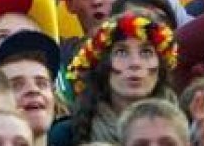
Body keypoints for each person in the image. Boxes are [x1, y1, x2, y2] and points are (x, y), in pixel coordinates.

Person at [51, 12, 179, 145]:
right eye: (121, 52)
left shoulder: (187, 126)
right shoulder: (66, 135)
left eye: (146, 52)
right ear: (102, 66)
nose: (135, 63)